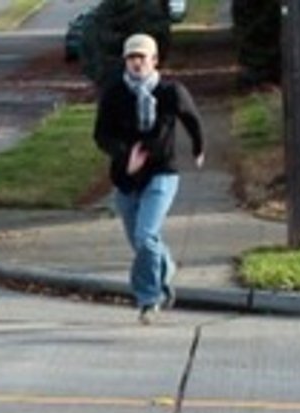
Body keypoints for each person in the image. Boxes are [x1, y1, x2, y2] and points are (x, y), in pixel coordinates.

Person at [93, 32, 205, 324]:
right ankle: (166, 268)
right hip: (126, 178)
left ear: (154, 60)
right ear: (125, 62)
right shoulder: (115, 93)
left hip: (161, 173)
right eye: (132, 58)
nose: (137, 63)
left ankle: (147, 299)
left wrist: (199, 148)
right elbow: (101, 134)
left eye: (142, 57)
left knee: (145, 235)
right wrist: (124, 155)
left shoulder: (171, 91)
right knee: (142, 242)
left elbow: (192, 119)